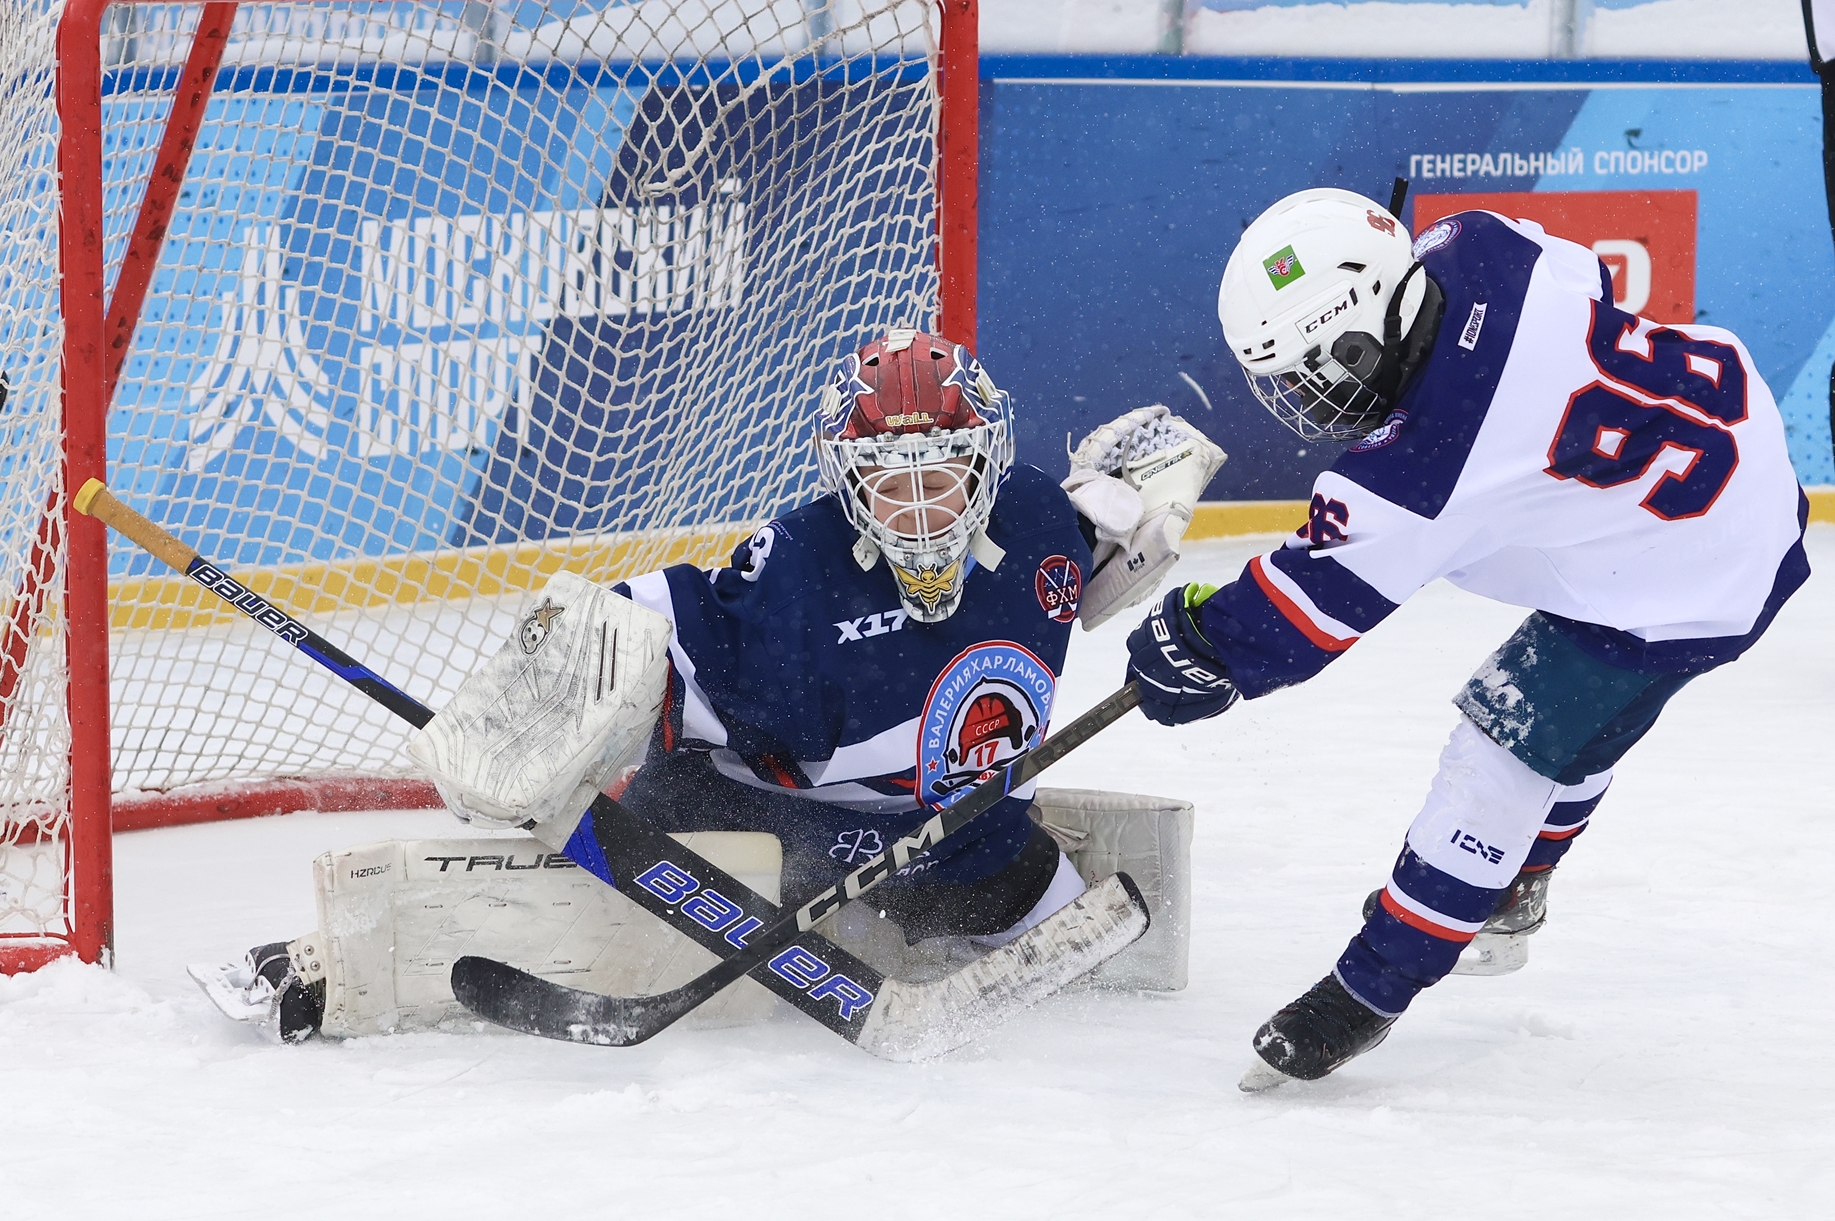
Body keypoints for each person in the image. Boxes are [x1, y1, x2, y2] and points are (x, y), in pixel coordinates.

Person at [210, 327, 1224, 1039]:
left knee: (1109, 971)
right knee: (608, 939)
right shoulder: (794, 568)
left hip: (964, 839)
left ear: (988, 464)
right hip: (760, 822)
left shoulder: (1044, 522)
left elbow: (1130, 497)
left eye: (943, 473)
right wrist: (530, 709)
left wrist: (1151, 491)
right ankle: (327, 962)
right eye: (887, 481)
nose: (918, 507)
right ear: (847, 482)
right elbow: (627, 622)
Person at [1123, 189, 1810, 1089]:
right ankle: (1519, 879)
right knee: (1583, 722)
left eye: (1305, 372)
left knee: (1506, 741)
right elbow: (1592, 282)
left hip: (1689, 572)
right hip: (1732, 453)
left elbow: (1298, 619)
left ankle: (1372, 987)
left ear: (1360, 336)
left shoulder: (1424, 463)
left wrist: (1196, 640)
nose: (1299, 399)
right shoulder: (1476, 245)